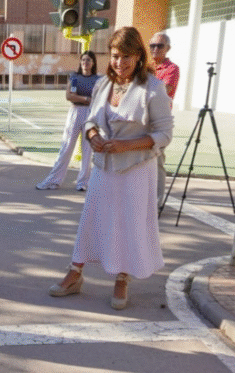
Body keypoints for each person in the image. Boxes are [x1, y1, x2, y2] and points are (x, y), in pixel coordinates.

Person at [48, 27, 174, 310]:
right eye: (116, 56)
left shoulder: (153, 88)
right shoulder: (103, 84)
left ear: (139, 56)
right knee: (91, 217)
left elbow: (164, 134)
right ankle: (75, 272)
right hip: (103, 166)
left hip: (137, 169)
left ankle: (122, 277)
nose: (120, 63)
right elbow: (91, 119)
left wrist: (124, 146)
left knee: (127, 223)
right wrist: (93, 137)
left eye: (127, 56)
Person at [36, 51, 101, 192]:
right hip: (76, 112)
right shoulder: (75, 78)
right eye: (83, 60)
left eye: (88, 60)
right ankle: (53, 181)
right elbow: (69, 96)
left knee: (87, 150)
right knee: (66, 147)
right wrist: (86, 99)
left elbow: (98, 99)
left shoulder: (98, 79)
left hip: (91, 114)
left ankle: (83, 183)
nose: (85, 62)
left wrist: (82, 98)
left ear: (93, 63)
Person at [148, 32, 180, 206]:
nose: (155, 49)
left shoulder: (172, 69)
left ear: (167, 48)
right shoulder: (147, 67)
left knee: (158, 159)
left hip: (159, 120)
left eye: (159, 46)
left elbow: (163, 91)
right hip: (144, 118)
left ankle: (157, 201)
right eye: (152, 45)